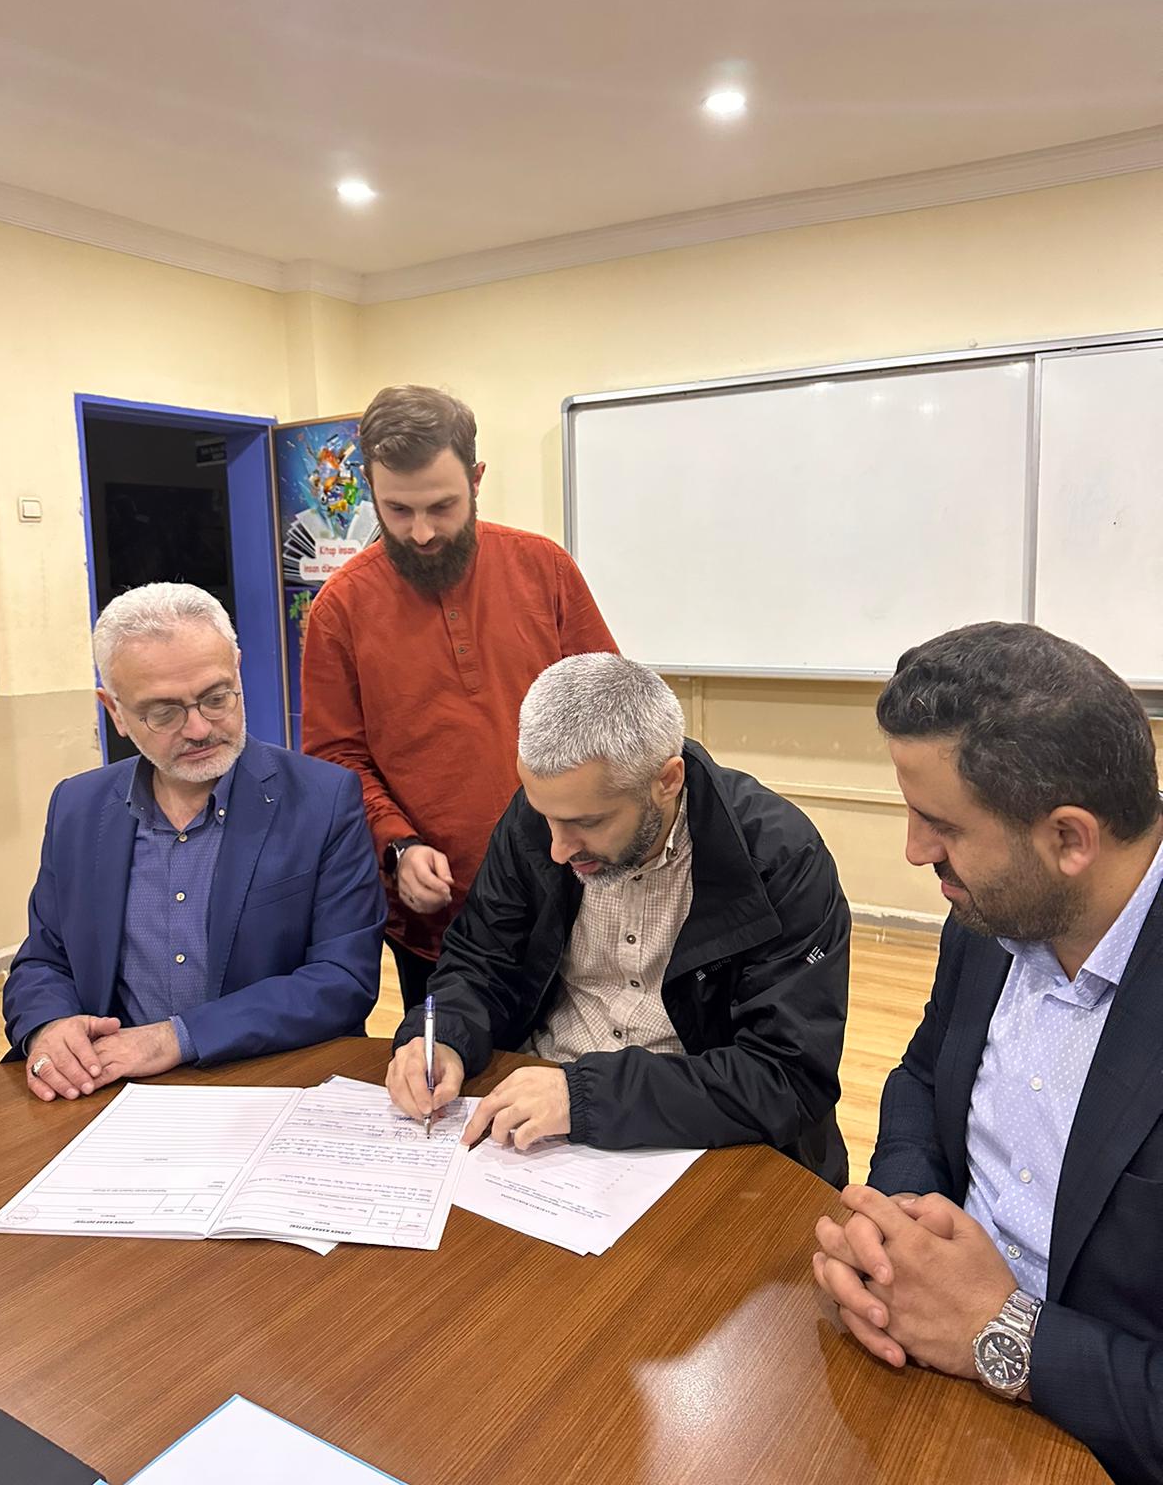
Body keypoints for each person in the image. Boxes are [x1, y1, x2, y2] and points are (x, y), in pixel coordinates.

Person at [811, 622, 1163, 1485]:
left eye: (941, 825)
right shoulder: (995, 912)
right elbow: (923, 1075)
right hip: (929, 1385)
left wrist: (1000, 1333)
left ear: (1069, 839)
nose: (914, 851)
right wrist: (900, 1229)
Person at [385, 653, 851, 1175]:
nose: (558, 849)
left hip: (696, 1133)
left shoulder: (778, 858)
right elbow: (480, 961)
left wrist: (585, 1095)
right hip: (536, 1111)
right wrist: (444, 1035)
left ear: (667, 780)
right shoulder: (542, 818)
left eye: (588, 823)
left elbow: (785, 1077)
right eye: (545, 816)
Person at [4, 583, 385, 1101]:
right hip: (111, 1092)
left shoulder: (323, 799)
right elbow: (43, 960)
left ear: (238, 670)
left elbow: (342, 980)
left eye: (216, 697)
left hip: (269, 1085)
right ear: (115, 712)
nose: (200, 728)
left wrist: (177, 1038)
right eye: (164, 713)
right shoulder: (77, 806)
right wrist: (49, 1025)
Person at [301, 384, 616, 1010]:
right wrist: (398, 845)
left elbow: (609, 708)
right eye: (397, 510)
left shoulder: (544, 568)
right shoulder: (341, 607)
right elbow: (336, 758)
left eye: (442, 506)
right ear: (370, 487)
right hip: (435, 914)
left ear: (476, 480)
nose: (421, 533)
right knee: (447, 1059)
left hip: (576, 887)